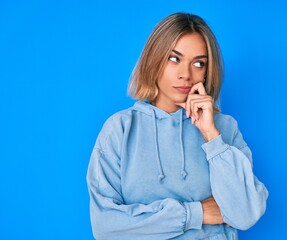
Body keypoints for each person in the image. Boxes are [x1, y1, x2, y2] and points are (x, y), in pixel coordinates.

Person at [86, 12, 268, 240]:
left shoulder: (223, 128)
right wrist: (198, 213)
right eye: (174, 59)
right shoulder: (120, 129)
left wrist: (211, 135)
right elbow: (106, 227)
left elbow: (245, 214)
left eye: (199, 63)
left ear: (207, 72)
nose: (186, 75)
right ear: (154, 60)